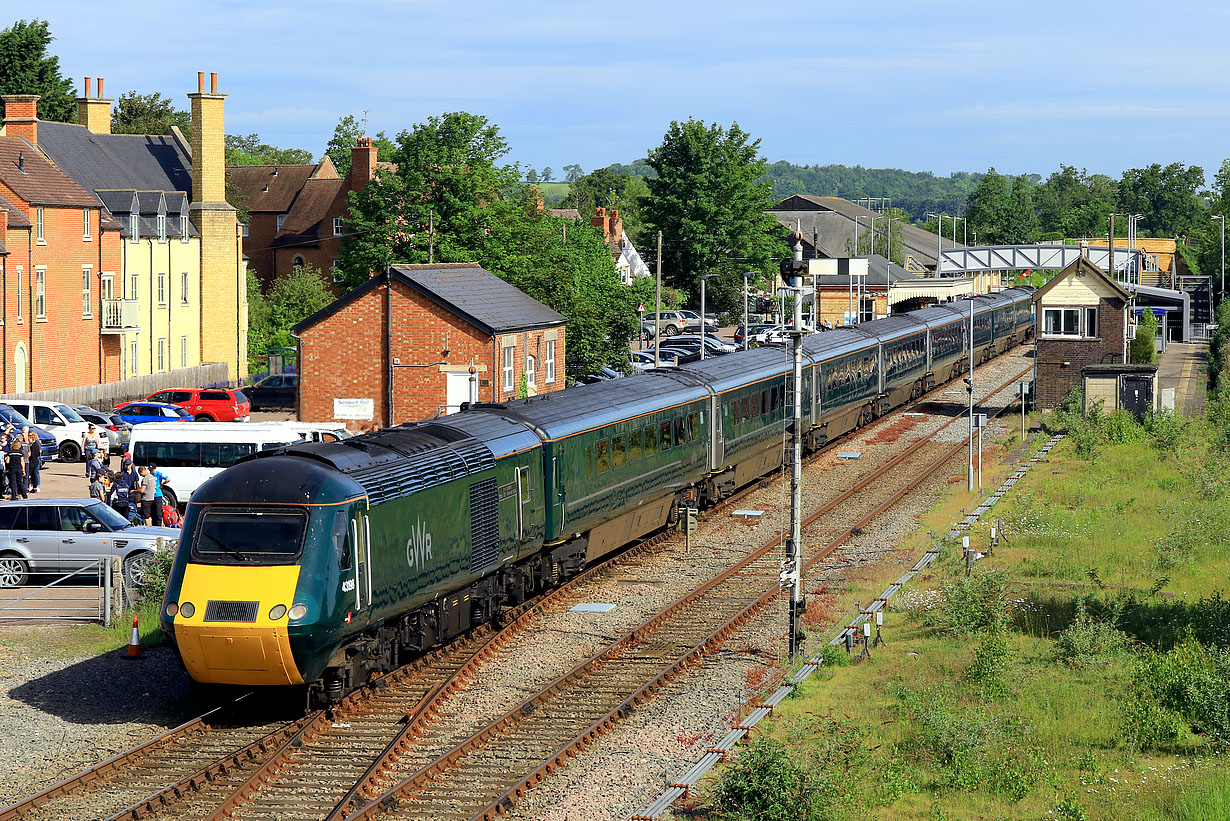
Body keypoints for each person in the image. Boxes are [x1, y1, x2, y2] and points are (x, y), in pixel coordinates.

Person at [24, 429, 40, 494]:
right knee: (34, 474)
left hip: (32, 461)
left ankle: (27, 488)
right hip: (36, 461)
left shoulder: (33, 445)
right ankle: (34, 487)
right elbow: (38, 453)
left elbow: (31, 454)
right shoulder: (36, 444)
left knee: (28, 474)